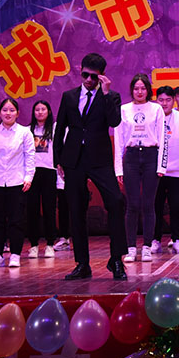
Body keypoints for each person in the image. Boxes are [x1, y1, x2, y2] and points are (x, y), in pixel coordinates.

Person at [54, 53, 128, 281]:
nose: (88, 80)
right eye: (85, 75)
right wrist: (58, 160)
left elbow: (114, 122)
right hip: (74, 159)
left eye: (93, 77)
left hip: (100, 159)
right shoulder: (69, 96)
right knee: (76, 210)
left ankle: (116, 260)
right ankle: (82, 264)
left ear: (102, 77)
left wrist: (105, 94)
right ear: (80, 71)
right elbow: (60, 129)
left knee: (116, 201)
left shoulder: (111, 96)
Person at [115, 74, 166, 263]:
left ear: (148, 90)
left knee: (148, 204)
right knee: (133, 204)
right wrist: (118, 169)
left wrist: (161, 165)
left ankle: (146, 247)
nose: (139, 92)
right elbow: (119, 140)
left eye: (143, 88)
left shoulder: (156, 109)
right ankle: (130, 248)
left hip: (151, 156)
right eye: (136, 88)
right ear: (132, 90)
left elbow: (163, 138)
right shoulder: (124, 110)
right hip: (131, 157)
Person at [0, 98, 34, 269]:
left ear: (17, 113)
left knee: (16, 220)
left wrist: (29, 177)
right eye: (5, 110)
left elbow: (30, 156)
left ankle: (15, 254)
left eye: (11, 110)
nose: (8, 113)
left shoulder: (24, 132)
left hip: (17, 182)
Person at [152, 86, 179, 254]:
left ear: (173, 101)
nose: (164, 103)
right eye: (161, 100)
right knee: (155, 207)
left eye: (168, 100)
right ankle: (154, 240)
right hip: (155, 172)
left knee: (177, 207)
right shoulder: (151, 118)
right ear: (156, 100)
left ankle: (177, 239)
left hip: (177, 171)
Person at [28, 99, 65, 259]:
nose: (40, 112)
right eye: (37, 110)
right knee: (32, 210)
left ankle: (50, 244)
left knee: (49, 209)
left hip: (50, 171)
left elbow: (60, 148)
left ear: (49, 111)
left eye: (43, 109)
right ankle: (33, 245)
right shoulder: (28, 130)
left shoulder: (55, 129)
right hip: (32, 173)